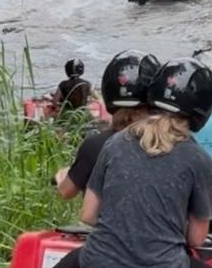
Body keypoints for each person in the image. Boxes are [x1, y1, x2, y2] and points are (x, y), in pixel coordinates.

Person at [47, 58, 212, 268]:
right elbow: (197, 240)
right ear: (203, 109)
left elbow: (88, 215)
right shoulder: (200, 159)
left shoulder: (114, 143)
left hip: (97, 266)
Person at [54, 51, 160, 199]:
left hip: (70, 116)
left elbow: (66, 192)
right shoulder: (174, 145)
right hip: (85, 115)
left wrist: (61, 176)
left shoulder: (95, 146)